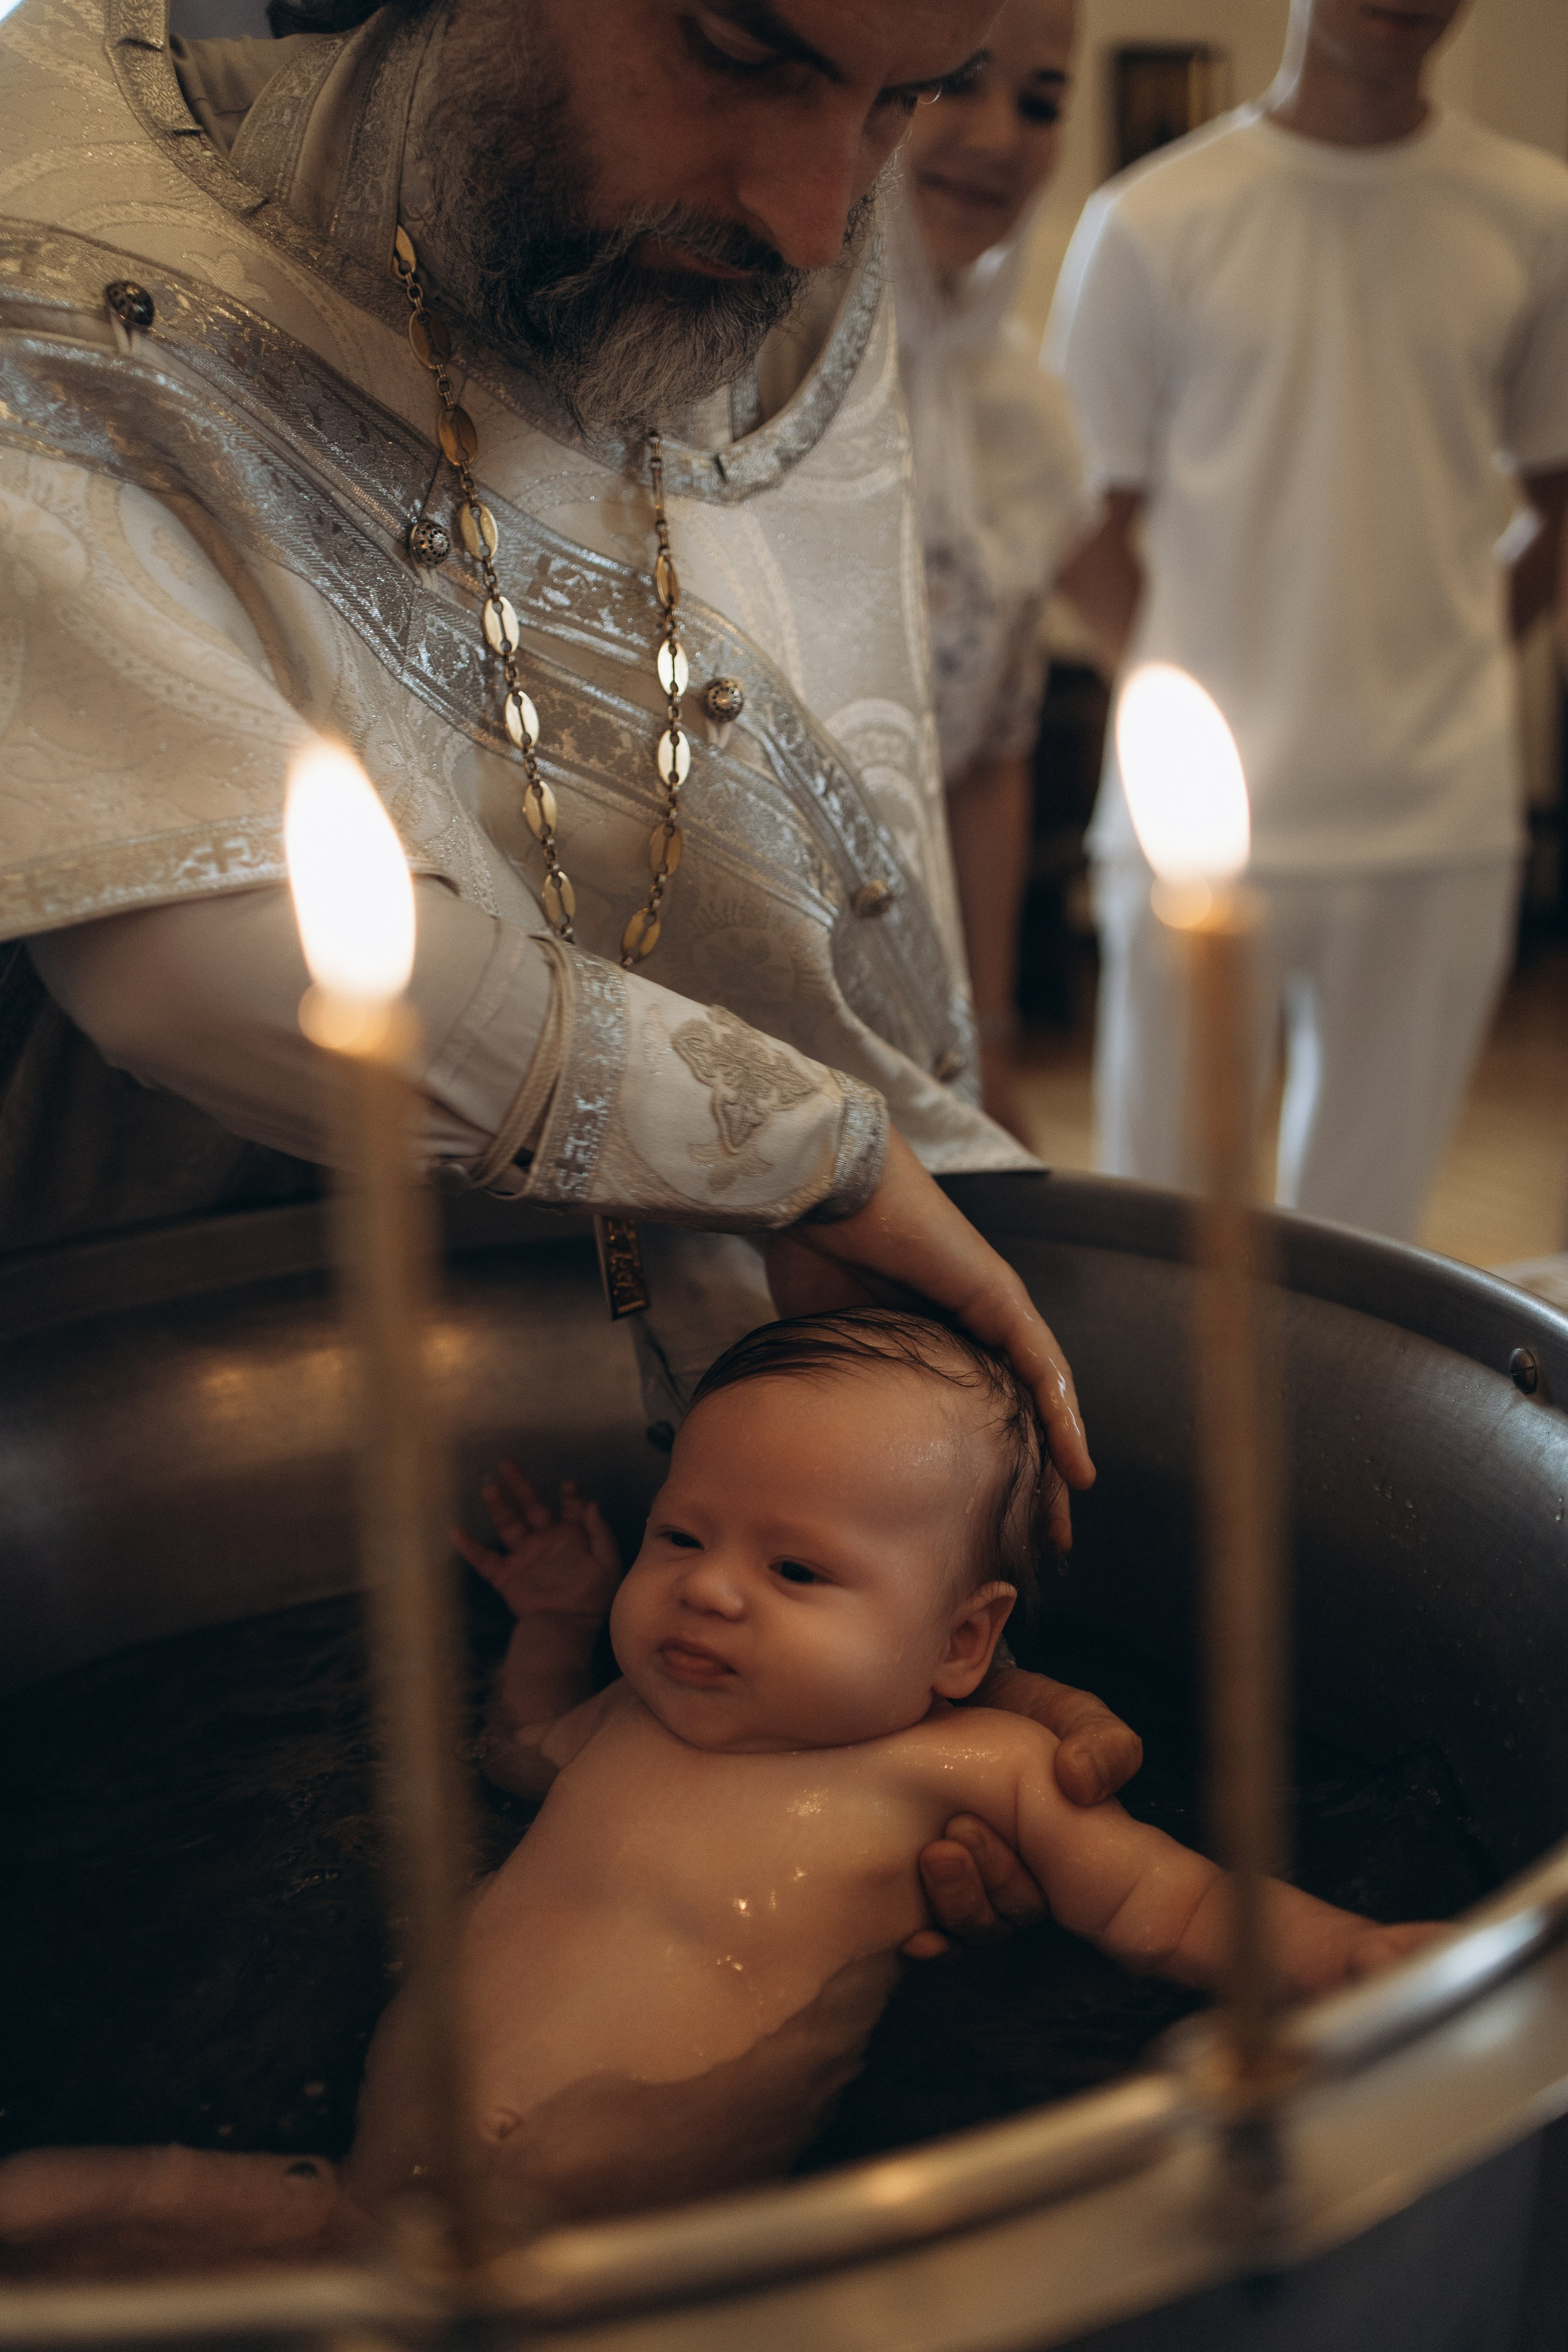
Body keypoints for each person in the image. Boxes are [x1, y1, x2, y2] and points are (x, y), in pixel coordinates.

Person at [0, 0, 1148, 1874]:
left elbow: (789, 823)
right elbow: (199, 948)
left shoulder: (779, 213)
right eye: (738, 49)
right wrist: (811, 1150)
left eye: (903, 103)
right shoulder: (43, 209)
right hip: (140, 1363)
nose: (809, 219)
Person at [0, 1311, 1436, 2261]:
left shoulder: (976, 1766)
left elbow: (1167, 1910)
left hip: (626, 2272)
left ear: (960, 1640)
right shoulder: (633, 1715)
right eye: (681, 1535)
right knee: (59, 2202)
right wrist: (556, 1625)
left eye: (795, 1569)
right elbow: (512, 1754)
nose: (708, 1594)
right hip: (359, 2206)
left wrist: (1348, 1956)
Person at [1045, 0, 1568, 1242]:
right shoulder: (1153, 216)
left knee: (1366, 1248)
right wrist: (1183, 713)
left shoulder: (1533, 214)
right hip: (1193, 837)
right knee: (1161, 1229)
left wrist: (1437, 658)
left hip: (1434, 820)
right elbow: (1073, 518)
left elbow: (1557, 495)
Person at [891, 0, 1090, 1139]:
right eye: (958, 81)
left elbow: (992, 758)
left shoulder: (1027, 416)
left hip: (936, 1019)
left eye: (1041, 100)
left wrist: (992, 1035)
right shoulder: (743, 373)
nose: (1001, 135)